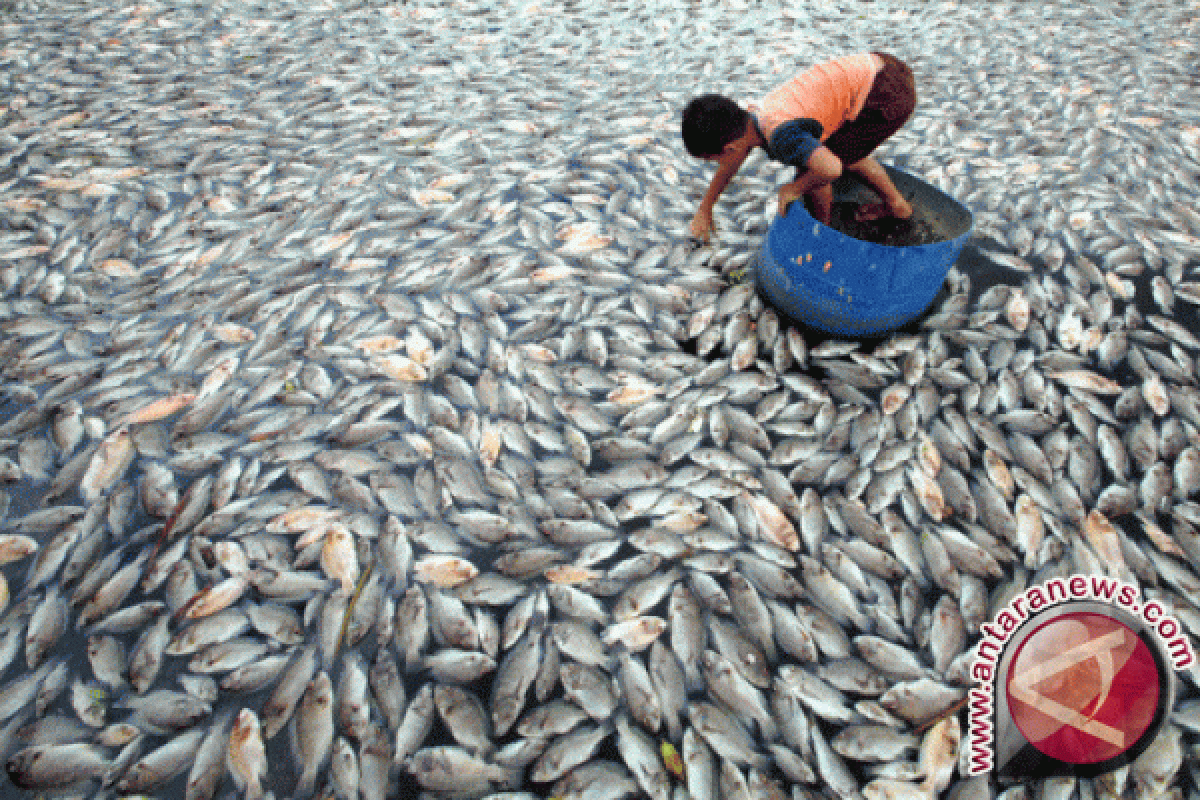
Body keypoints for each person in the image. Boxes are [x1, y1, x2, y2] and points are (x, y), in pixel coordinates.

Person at [682, 52, 917, 242]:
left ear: (729, 147)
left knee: (815, 170)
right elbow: (730, 162)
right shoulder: (755, 116)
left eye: (711, 159)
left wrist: (795, 188)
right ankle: (897, 205)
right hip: (884, 66)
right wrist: (705, 208)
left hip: (886, 96)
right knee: (840, 152)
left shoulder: (782, 137)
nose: (718, 164)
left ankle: (822, 232)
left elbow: (830, 169)